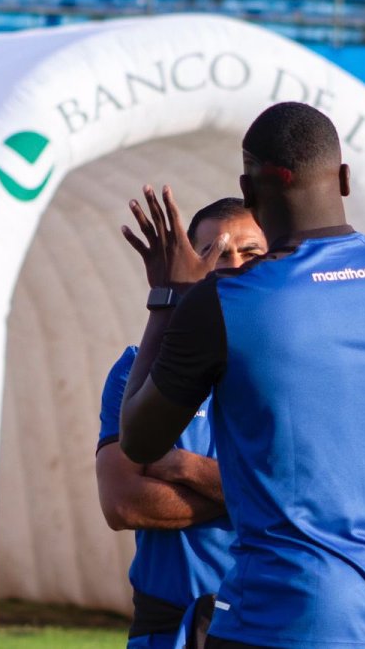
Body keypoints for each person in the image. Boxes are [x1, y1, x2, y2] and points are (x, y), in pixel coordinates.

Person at [118, 102, 365, 648]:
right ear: (345, 179)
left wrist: (170, 298)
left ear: (248, 189)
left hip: (278, 617)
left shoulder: (223, 303)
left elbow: (138, 439)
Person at [98, 197, 267, 649]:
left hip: (269, 619)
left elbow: (314, 494)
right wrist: (260, 497)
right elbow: (124, 504)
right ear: (192, 267)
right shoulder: (136, 369)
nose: (232, 264)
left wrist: (181, 467)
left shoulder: (295, 369)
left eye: (250, 252)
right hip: (168, 625)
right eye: (212, 253)